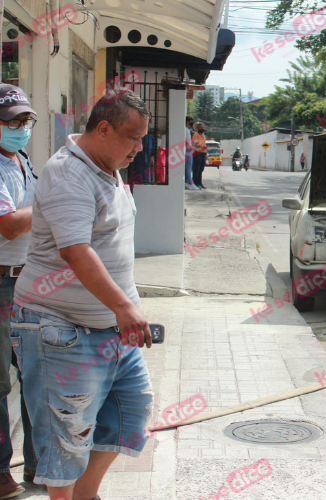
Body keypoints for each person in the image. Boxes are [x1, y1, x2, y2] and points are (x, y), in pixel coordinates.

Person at [11, 88, 154, 496]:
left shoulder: (107, 164)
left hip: (112, 329)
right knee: (66, 435)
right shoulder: (67, 172)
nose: (139, 148)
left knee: (129, 414)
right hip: (59, 328)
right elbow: (75, 251)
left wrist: (123, 310)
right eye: (133, 136)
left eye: (143, 137)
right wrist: (124, 306)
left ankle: (85, 495)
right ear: (104, 129)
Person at [0, 84, 38, 497]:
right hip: (2, 282)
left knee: (33, 377)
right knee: (0, 384)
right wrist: (50, 200)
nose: (21, 128)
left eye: (26, 121)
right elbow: (9, 224)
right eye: (12, 122)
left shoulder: (22, 159)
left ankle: (36, 466)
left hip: (27, 281)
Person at [192, 122, 207, 189]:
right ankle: (195, 183)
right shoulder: (196, 135)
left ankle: (200, 183)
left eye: (203, 127)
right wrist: (201, 146)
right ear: (197, 128)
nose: (202, 128)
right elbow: (194, 144)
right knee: (196, 169)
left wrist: (206, 153)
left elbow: (204, 144)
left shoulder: (203, 136)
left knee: (201, 169)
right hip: (197, 153)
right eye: (201, 127)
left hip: (203, 153)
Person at [185, 117, 198, 190]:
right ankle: (190, 183)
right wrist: (190, 147)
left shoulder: (187, 130)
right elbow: (185, 140)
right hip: (187, 149)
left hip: (188, 149)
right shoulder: (185, 130)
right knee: (189, 166)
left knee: (188, 167)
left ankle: (188, 181)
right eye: (191, 122)